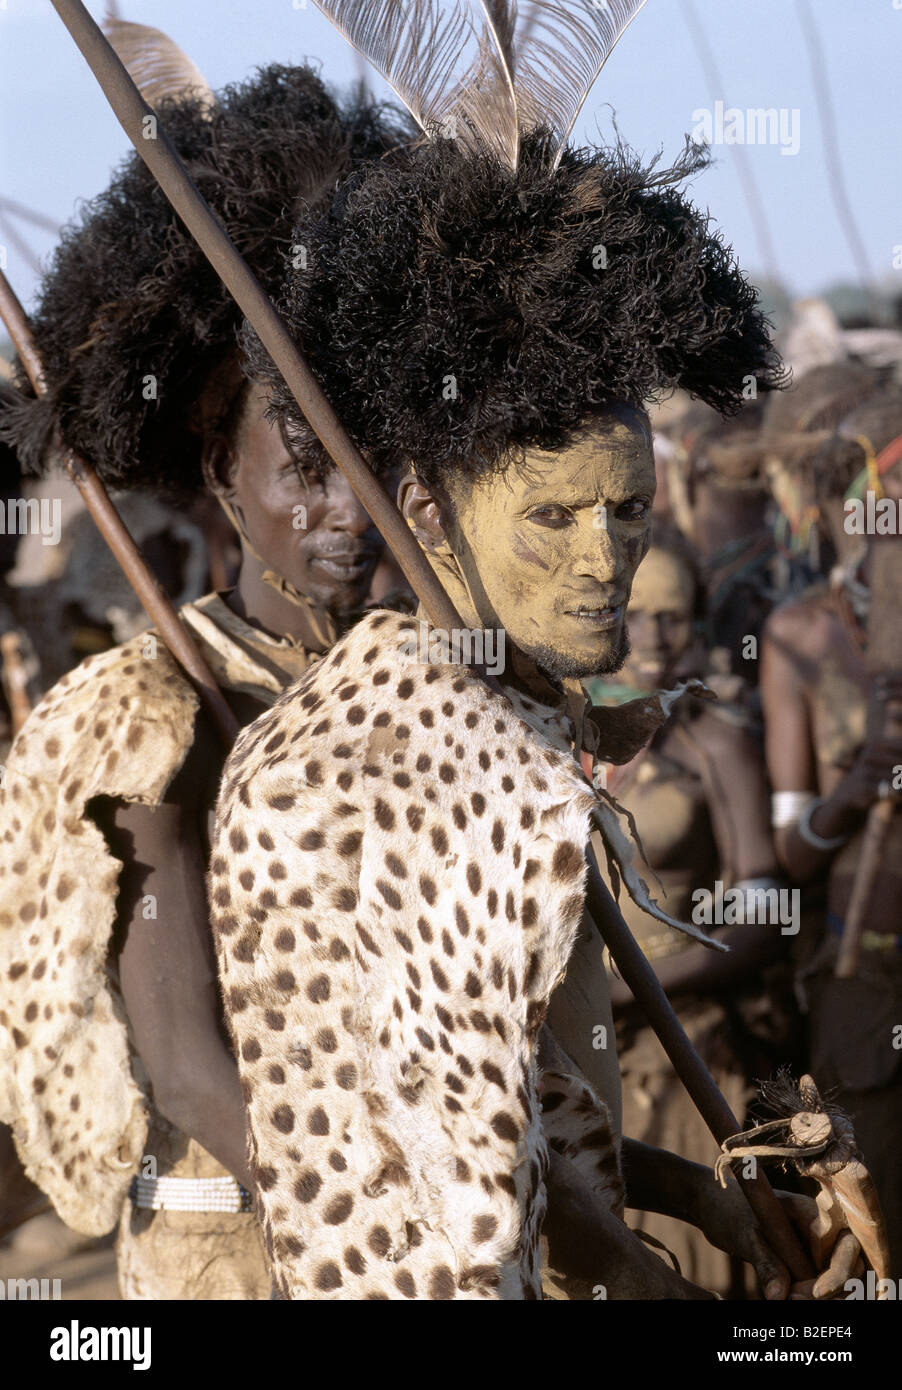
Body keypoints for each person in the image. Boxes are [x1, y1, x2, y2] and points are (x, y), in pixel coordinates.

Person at [204, 6, 842, 1295]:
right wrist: (634, 1271)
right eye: (549, 518)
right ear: (429, 513)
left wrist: (705, 1199)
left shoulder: (517, 730)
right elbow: (450, 1205)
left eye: (625, 506)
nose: (604, 556)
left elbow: (537, 1111)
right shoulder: (350, 781)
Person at [0, 57, 411, 1299]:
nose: (346, 511)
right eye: (302, 465)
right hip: (235, 1248)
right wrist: (406, 1230)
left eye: (370, 465)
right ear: (220, 472)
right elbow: (184, 1067)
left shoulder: (424, 691)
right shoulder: (151, 718)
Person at [591, 525, 801, 1295]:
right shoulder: (558, 734)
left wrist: (633, 988)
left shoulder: (716, 744)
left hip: (683, 1060)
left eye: (673, 617)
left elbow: (765, 921)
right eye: (635, 612)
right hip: (575, 1055)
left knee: (700, 1268)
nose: (652, 635)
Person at [761, 378, 902, 1276]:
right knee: (869, 1226)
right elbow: (787, 852)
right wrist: (859, 782)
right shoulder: (801, 637)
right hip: (862, 974)